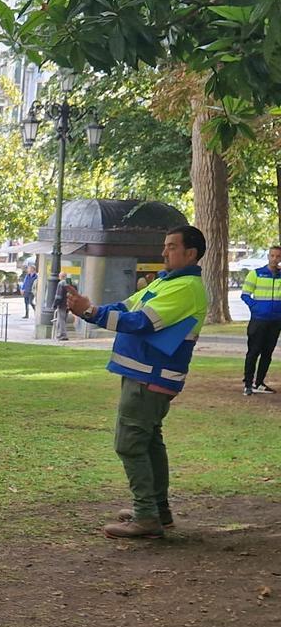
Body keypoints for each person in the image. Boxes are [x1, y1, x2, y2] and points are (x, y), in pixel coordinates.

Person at [65, 225, 208, 539]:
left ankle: (146, 517)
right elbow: (126, 307)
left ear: (190, 254)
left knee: (129, 444)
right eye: (165, 245)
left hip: (150, 378)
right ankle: (157, 511)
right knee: (149, 443)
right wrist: (90, 311)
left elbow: (141, 322)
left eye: (171, 247)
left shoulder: (185, 288)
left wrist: (90, 311)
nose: (164, 252)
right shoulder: (168, 282)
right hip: (147, 377)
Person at [241, 245, 281, 396]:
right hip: (259, 320)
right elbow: (245, 295)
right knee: (253, 352)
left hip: (276, 321)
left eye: (278, 256)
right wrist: (256, 307)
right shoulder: (256, 274)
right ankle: (248, 384)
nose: (275, 259)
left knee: (267, 353)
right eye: (272, 255)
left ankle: (259, 382)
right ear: (268, 256)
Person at [52, 275, 72, 340]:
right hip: (68, 304)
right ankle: (60, 334)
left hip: (62, 304)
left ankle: (62, 335)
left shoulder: (61, 284)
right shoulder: (69, 283)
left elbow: (58, 296)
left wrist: (55, 304)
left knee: (61, 320)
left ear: (61, 277)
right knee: (63, 320)